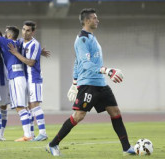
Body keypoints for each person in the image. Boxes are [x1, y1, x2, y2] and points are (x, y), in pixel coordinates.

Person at [45, 8, 135, 156]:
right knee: (79, 116)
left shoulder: (92, 37)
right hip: (89, 85)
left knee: (115, 112)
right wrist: (108, 70)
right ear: (87, 21)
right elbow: (85, 64)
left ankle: (126, 148)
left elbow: (77, 62)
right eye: (94, 18)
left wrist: (74, 82)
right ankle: (52, 144)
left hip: (101, 84)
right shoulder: (82, 39)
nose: (97, 20)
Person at [8, 21, 48, 141]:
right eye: (24, 29)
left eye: (28, 30)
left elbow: (31, 62)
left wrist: (15, 53)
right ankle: (31, 134)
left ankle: (43, 133)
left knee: (34, 105)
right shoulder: (20, 41)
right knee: (28, 107)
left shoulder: (35, 44)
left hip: (34, 78)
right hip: (25, 78)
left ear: (33, 32)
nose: (25, 32)